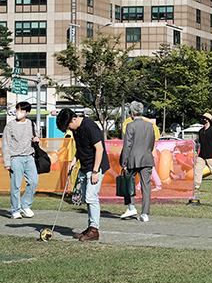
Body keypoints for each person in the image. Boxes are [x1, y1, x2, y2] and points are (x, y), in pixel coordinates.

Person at [56, 108, 111, 242]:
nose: (69, 129)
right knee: (87, 198)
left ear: (73, 119)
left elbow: (99, 149)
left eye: (68, 126)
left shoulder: (89, 126)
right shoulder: (76, 129)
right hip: (84, 166)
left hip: (95, 166)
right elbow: (81, 148)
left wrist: (95, 171)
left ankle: (94, 230)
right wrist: (74, 161)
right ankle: (90, 226)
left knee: (91, 197)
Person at [119, 101, 156, 222]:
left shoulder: (130, 125)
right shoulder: (150, 126)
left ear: (132, 113)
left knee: (128, 182)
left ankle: (131, 206)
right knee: (146, 186)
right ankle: (145, 213)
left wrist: (123, 161)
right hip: (147, 158)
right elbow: (151, 143)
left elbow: (127, 145)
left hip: (133, 159)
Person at [2, 101, 40, 220]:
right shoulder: (10, 125)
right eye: (17, 109)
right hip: (15, 158)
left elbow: (37, 138)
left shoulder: (32, 124)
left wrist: (37, 139)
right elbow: (5, 144)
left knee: (34, 181)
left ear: (27, 112)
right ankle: (15, 209)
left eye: (21, 110)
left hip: (29, 157)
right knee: (16, 185)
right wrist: (7, 162)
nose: (18, 112)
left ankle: (25, 205)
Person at [190, 112, 212, 202]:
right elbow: (198, 143)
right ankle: (196, 186)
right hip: (202, 155)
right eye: (202, 118)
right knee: (197, 170)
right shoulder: (200, 131)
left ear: (208, 120)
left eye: (204, 118)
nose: (203, 120)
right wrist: (197, 152)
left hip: (211, 155)